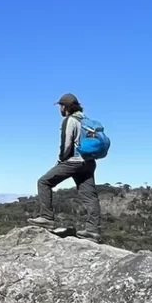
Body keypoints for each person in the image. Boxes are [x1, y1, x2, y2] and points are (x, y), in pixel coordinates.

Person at [27, 93, 102, 241]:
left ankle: (47, 218)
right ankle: (93, 231)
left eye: (60, 106)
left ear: (65, 107)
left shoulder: (70, 120)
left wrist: (61, 160)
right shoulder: (86, 120)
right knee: (90, 196)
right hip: (89, 162)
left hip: (73, 161)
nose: (60, 110)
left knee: (44, 182)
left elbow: (66, 144)